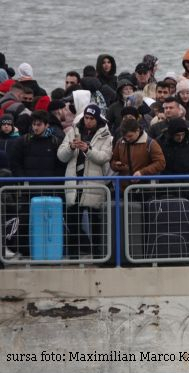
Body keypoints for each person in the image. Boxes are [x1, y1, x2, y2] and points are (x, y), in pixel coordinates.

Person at [57, 104, 112, 258]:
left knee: (96, 222)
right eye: (86, 118)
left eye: (91, 118)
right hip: (75, 182)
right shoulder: (72, 131)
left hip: (93, 182)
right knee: (73, 221)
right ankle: (73, 255)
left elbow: (105, 157)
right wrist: (70, 147)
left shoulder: (106, 135)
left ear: (97, 119)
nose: (88, 121)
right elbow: (61, 156)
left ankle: (98, 254)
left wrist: (88, 150)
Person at [110, 118, 166, 192]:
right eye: (125, 136)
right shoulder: (120, 142)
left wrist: (142, 172)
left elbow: (161, 163)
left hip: (145, 188)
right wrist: (115, 165)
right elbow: (113, 160)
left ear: (138, 131)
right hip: (124, 188)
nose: (127, 139)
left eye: (130, 136)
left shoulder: (151, 143)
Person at [9, 110, 66, 180]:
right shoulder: (22, 142)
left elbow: (61, 166)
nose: (35, 128)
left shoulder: (55, 142)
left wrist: (55, 182)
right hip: (27, 187)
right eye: (34, 124)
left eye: (39, 125)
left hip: (50, 187)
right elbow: (15, 164)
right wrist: (23, 180)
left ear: (47, 125)